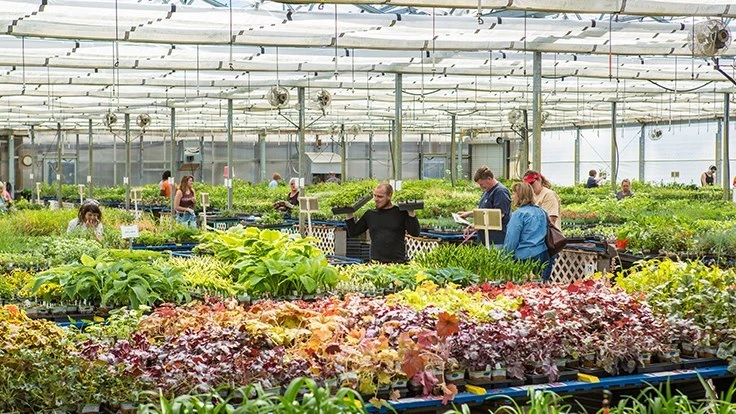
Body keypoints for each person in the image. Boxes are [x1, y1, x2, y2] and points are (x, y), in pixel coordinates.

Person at [345, 183, 420, 263]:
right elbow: (353, 232)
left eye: (380, 197)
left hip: (397, 262)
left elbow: (415, 233)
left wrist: (411, 212)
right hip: (376, 262)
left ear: (389, 196)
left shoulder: (400, 213)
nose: (376, 199)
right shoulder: (370, 214)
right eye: (375, 196)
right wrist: (349, 213)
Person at [503, 182, 550, 279]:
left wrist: (506, 257)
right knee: (539, 284)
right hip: (542, 253)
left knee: (524, 285)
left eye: (514, 193)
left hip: (524, 256)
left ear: (520, 195)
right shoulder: (541, 211)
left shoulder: (519, 214)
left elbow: (512, 239)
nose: (512, 196)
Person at [457, 166, 511, 247]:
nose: (481, 187)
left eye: (481, 184)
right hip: (485, 239)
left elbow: (499, 215)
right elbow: (485, 211)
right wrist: (468, 214)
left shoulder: (500, 192)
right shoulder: (487, 191)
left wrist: (480, 224)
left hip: (496, 240)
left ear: (489, 179)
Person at [523, 170, 560, 281]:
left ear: (539, 180)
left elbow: (551, 220)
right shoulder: (532, 196)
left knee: (542, 277)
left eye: (532, 183)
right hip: (535, 242)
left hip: (546, 242)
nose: (530, 186)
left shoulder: (548, 195)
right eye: (527, 185)